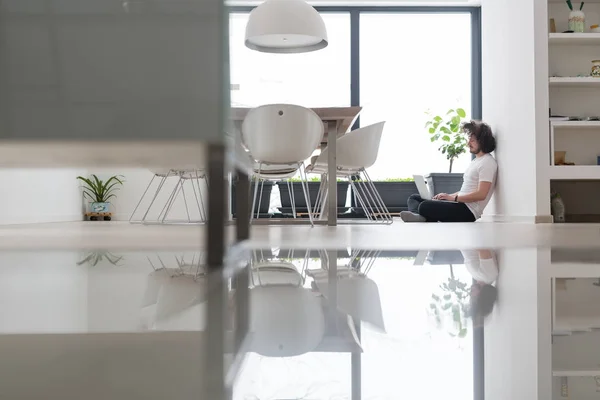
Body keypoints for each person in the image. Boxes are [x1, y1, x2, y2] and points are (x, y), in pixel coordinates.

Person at [400, 120, 497, 223]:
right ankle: (421, 217)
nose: (468, 143)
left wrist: (453, 198)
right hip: (459, 203)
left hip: (468, 211)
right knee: (414, 198)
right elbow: (466, 191)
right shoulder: (476, 161)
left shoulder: (488, 162)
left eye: (472, 140)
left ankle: (422, 216)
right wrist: (447, 196)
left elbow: (481, 195)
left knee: (425, 206)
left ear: (482, 141)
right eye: (469, 139)